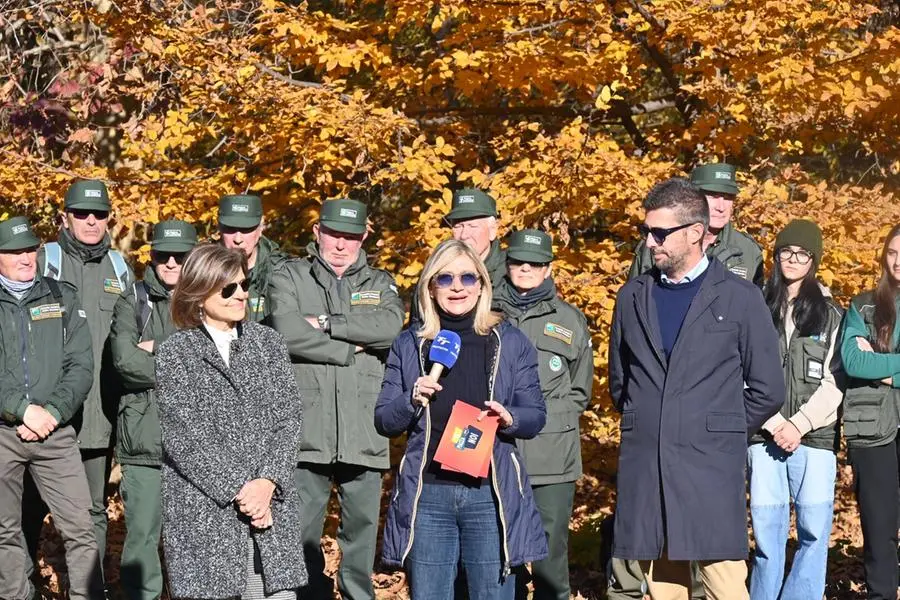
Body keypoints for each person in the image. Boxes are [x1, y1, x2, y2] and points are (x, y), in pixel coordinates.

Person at [608, 178, 784, 600]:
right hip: (649, 466)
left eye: (660, 233)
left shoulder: (740, 297)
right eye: (647, 231)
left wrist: (717, 429)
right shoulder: (633, 296)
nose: (651, 242)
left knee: (725, 586)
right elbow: (621, 382)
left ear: (694, 233)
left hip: (710, 469)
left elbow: (768, 388)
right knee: (664, 586)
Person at [375, 238, 549, 600]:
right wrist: (412, 399)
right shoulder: (410, 344)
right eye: (446, 278)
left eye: (468, 278)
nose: (457, 287)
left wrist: (510, 417)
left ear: (483, 285)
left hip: (489, 495)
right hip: (429, 497)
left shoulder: (510, 341)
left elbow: (536, 415)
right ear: (430, 287)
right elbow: (384, 420)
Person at [268, 198, 404, 600]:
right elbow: (285, 331)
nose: (341, 245)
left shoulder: (379, 283)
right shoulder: (289, 276)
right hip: (306, 428)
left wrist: (327, 323)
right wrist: (349, 346)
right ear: (317, 233)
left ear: (364, 237)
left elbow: (391, 327)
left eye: (350, 236)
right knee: (301, 531)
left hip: (364, 427)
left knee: (361, 532)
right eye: (333, 234)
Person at [154, 244, 306, 599]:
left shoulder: (269, 344)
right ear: (199, 293)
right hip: (206, 513)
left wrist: (268, 483)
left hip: (270, 508)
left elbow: (289, 418)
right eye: (228, 288)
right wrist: (244, 491)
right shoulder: (176, 353)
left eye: (243, 284)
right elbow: (184, 438)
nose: (241, 294)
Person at [21, 179, 134, 575]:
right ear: (64, 218)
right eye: (81, 213)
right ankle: (21, 586)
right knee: (27, 509)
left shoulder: (120, 268)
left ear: (109, 219)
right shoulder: (41, 260)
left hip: (97, 416)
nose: (90, 220)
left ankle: (90, 588)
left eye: (99, 214)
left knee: (92, 512)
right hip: (44, 414)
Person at [0, 216, 103, 600]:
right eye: (14, 252)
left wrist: (53, 413)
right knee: (4, 530)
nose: (26, 258)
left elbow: (80, 365)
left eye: (30, 249)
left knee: (80, 527)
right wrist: (21, 410)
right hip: (3, 433)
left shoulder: (61, 296)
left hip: (55, 434)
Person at [492, 229, 594, 600]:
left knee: (551, 550)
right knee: (500, 545)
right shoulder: (484, 311)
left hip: (553, 454)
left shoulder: (569, 319)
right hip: (494, 449)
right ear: (507, 263)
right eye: (518, 261)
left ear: (549, 269)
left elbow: (580, 390)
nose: (525, 268)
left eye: (535, 263)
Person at [747, 219, 844, 600]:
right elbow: (742, 367)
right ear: (776, 256)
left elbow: (836, 380)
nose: (793, 259)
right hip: (764, 436)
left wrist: (800, 424)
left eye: (802, 253)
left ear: (813, 260)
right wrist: (773, 422)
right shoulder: (756, 306)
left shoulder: (831, 314)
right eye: (786, 251)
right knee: (767, 536)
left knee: (814, 534)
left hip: (815, 439)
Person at [109, 220, 198, 600]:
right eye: (163, 255)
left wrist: (156, 348)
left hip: (198, 444)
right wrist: (186, 360)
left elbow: (221, 363)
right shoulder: (133, 300)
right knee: (142, 539)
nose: (171, 263)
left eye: (181, 256)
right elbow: (125, 362)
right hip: (144, 443)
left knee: (196, 543)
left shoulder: (210, 300)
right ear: (152, 256)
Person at [840, 223, 900, 600]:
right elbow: (853, 362)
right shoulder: (863, 306)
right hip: (873, 429)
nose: (898, 262)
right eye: (892, 253)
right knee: (879, 527)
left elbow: (871, 363)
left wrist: (885, 368)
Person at [627, 163, 763, 286]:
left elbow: (756, 308)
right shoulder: (658, 242)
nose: (721, 207)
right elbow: (634, 298)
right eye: (712, 196)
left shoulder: (747, 250)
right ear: (692, 199)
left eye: (728, 197)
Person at [409, 188, 507, 323]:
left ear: (492, 230)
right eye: (458, 226)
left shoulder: (512, 273)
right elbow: (418, 325)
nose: (464, 235)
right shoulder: (435, 271)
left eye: (473, 226)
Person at [218, 193, 290, 322]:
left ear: (261, 228)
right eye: (230, 229)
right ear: (219, 228)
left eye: (246, 230)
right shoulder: (203, 272)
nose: (238, 239)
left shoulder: (284, 273)